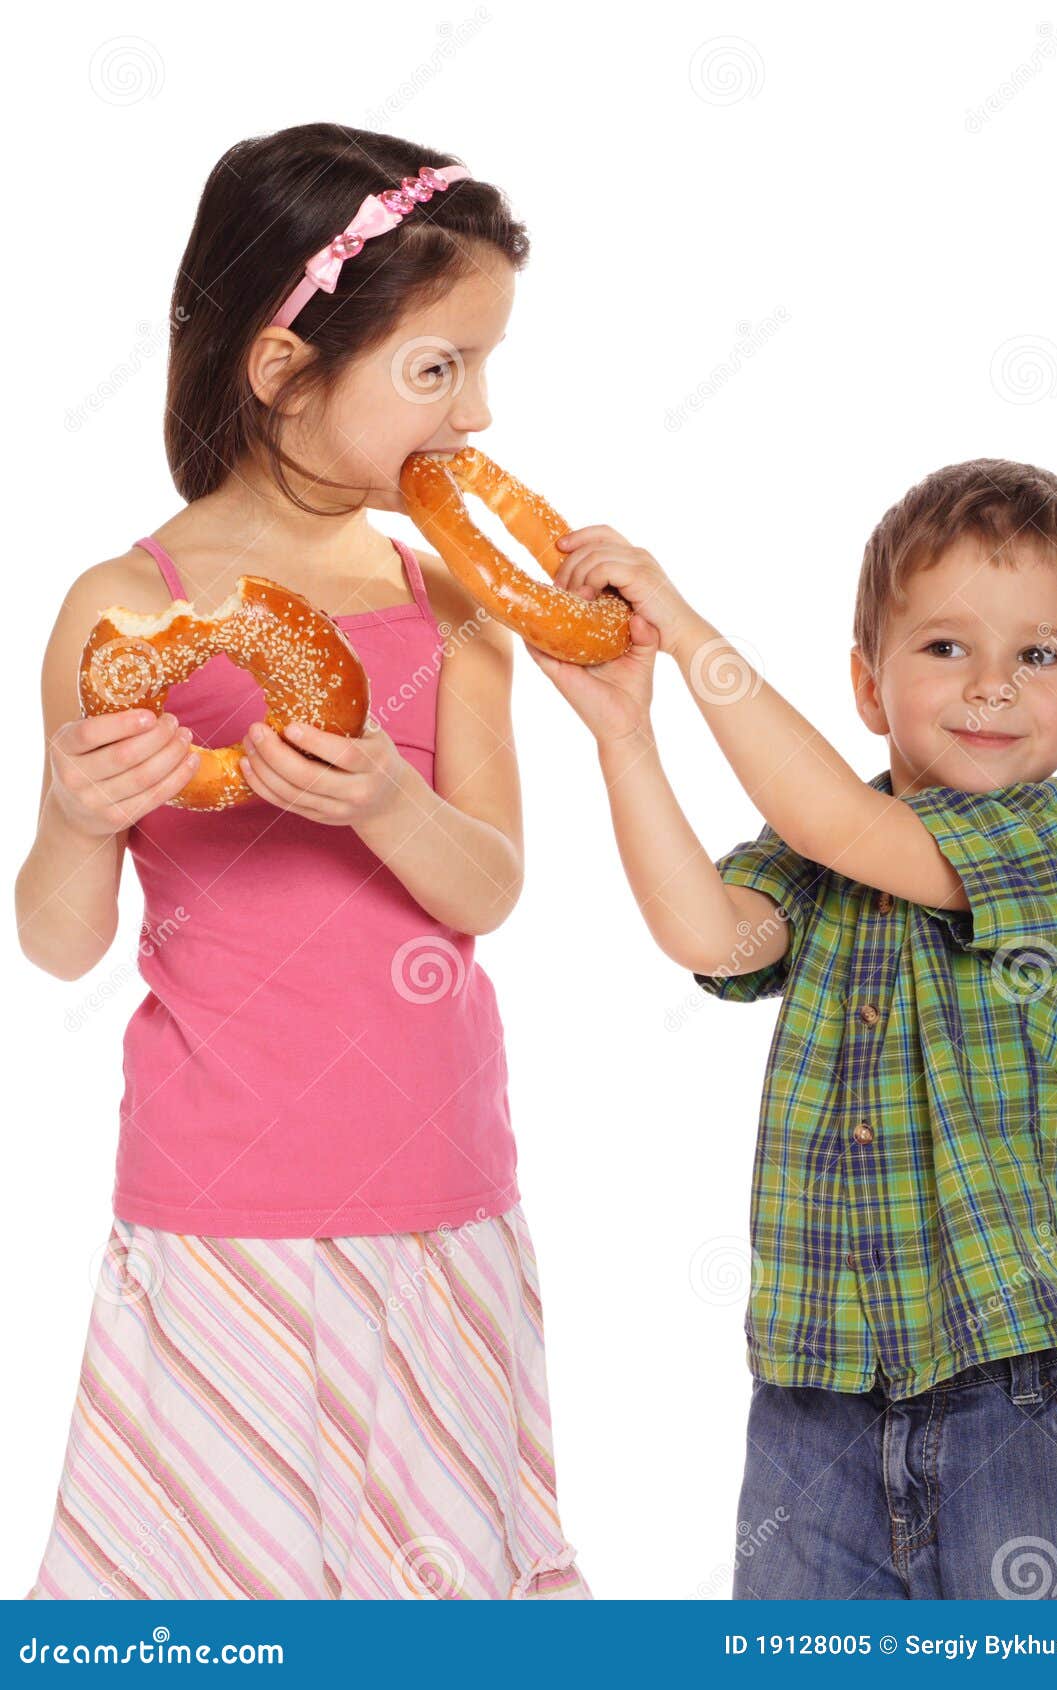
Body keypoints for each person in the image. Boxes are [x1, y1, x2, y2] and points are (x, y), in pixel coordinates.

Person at [17, 122, 589, 1601]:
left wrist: (386, 803)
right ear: (282, 366)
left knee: (441, 1594)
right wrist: (77, 821)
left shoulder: (450, 604)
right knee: (224, 1591)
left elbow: (488, 889)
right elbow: (61, 940)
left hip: (440, 1199)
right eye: (436, 367)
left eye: (481, 366)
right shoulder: (124, 610)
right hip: (217, 1213)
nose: (473, 413)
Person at [526, 457, 1057, 1599]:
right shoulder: (821, 854)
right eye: (946, 646)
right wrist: (626, 733)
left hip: (1012, 1402)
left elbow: (831, 816)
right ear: (868, 685)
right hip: (814, 1407)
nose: (994, 687)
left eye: (1041, 655)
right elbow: (707, 933)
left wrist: (685, 625)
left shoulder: (1041, 839)